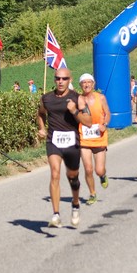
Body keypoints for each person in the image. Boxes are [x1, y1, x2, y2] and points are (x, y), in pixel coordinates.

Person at [37, 67, 91, 228]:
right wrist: (41, 128)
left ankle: (75, 204)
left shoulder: (78, 98)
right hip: (53, 141)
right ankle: (56, 215)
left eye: (64, 79)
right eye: (58, 78)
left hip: (72, 142)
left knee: (73, 177)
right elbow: (40, 114)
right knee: (55, 173)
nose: (60, 81)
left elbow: (88, 121)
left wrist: (74, 111)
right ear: (55, 80)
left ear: (70, 80)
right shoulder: (46, 98)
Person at [78, 73, 111, 205]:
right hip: (84, 138)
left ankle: (103, 176)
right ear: (80, 85)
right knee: (88, 169)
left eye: (89, 82)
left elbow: (108, 113)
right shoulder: (78, 99)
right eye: (84, 83)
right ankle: (92, 194)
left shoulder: (101, 98)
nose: (86, 85)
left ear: (93, 84)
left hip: (99, 136)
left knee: (98, 170)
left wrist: (105, 124)